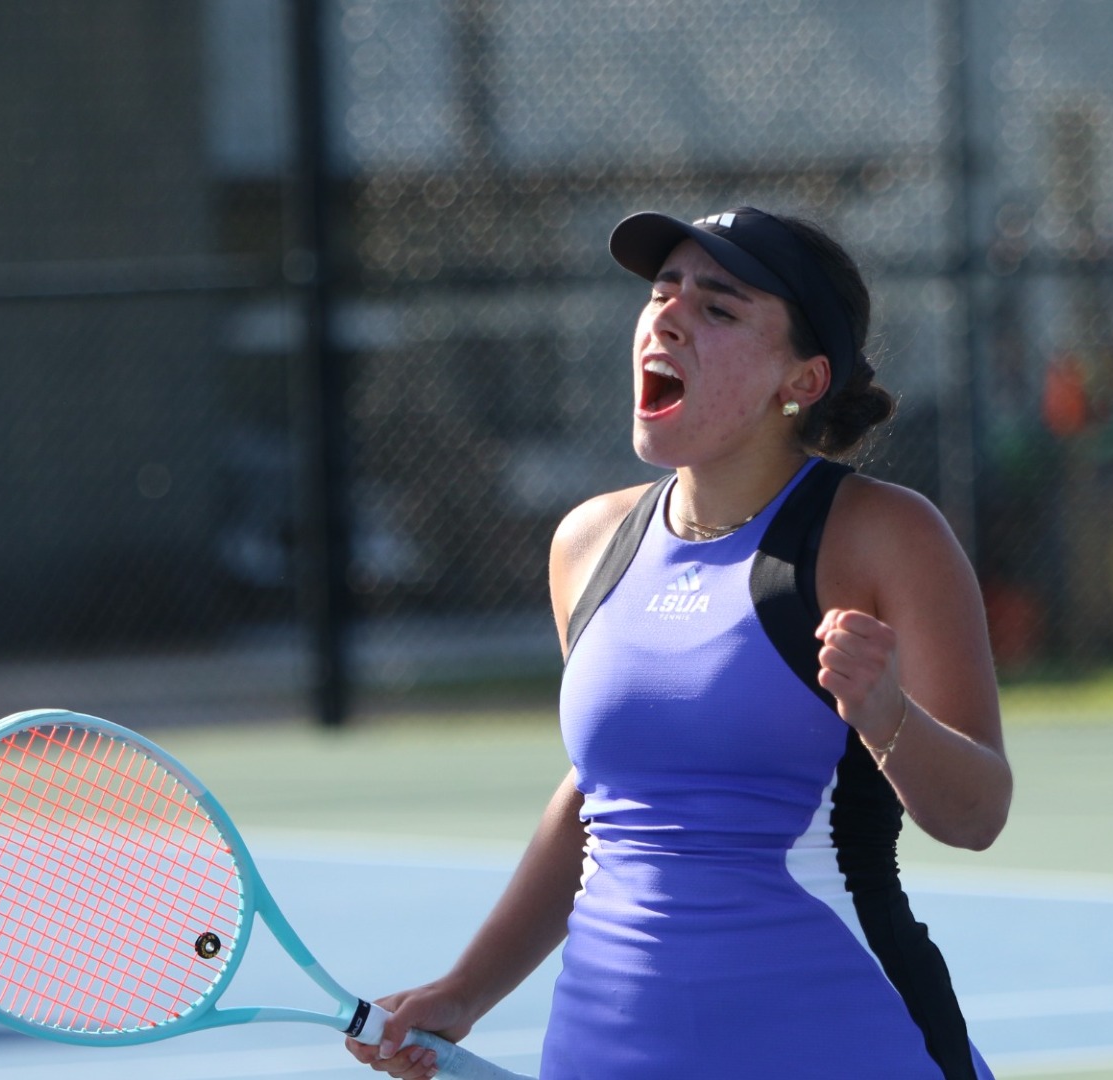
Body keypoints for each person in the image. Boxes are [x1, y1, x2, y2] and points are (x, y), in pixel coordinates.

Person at [345, 206, 1011, 1079]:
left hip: (844, 1044)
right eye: (665, 291)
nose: (669, 316)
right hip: (601, 1053)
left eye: (719, 309)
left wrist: (885, 715)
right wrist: (465, 990)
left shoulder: (884, 535)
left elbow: (976, 814)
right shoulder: (588, 542)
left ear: (802, 379)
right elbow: (600, 796)